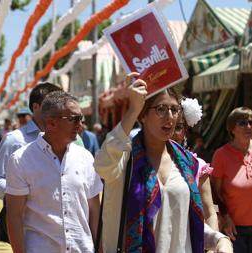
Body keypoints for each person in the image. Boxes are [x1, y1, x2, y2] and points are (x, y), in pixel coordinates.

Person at [94, 73, 232, 253]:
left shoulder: (188, 163)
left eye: (174, 110)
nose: (169, 117)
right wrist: (132, 110)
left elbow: (186, 226)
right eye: (160, 109)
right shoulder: (123, 159)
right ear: (143, 115)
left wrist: (219, 240)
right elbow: (102, 164)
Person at [6, 91, 103, 252]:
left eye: (81, 118)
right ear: (51, 123)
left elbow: (95, 212)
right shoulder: (21, 160)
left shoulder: (86, 158)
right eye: (73, 119)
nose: (80, 124)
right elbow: (14, 217)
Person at [0, 82, 62, 200]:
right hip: (24, 217)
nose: (57, 111)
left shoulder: (65, 139)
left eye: (60, 106)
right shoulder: (15, 140)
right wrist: (25, 196)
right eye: (52, 106)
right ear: (36, 107)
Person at [171, 97, 219, 232]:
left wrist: (212, 247)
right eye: (168, 126)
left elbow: (210, 212)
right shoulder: (145, 161)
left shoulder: (197, 166)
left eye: (178, 127)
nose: (172, 133)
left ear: (185, 130)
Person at [211, 107, 252, 252]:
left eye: (251, 122)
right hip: (234, 230)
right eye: (242, 123)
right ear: (232, 128)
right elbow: (215, 192)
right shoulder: (221, 155)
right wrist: (225, 216)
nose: (248, 126)